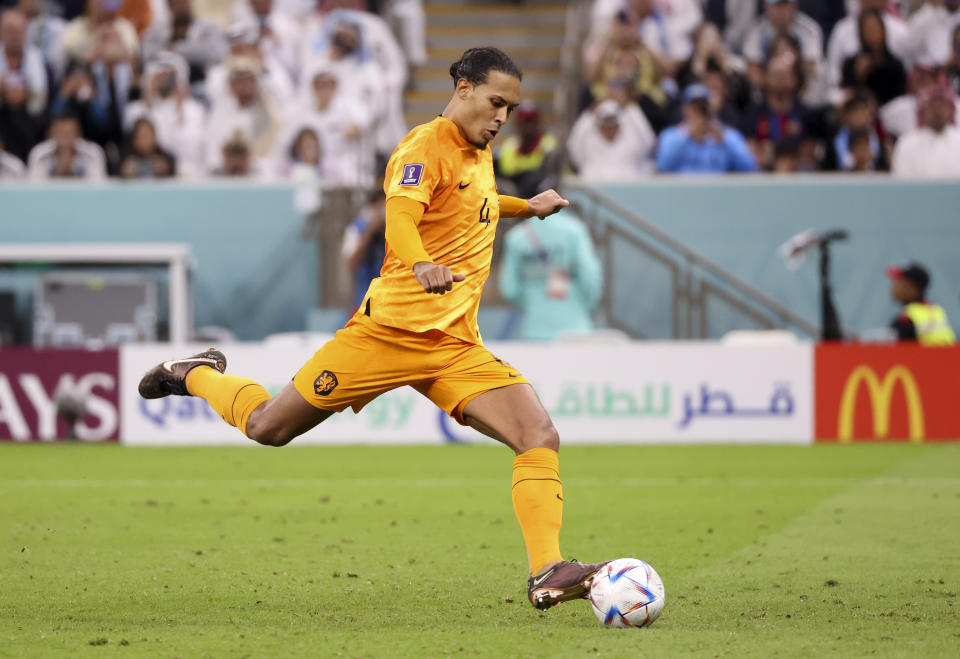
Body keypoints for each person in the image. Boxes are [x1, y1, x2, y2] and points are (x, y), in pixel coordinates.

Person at [138, 46, 608, 613]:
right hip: (386, 336)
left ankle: (548, 570)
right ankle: (193, 375)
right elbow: (402, 216)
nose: (503, 117)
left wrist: (523, 207)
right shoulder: (422, 146)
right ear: (462, 88)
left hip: (455, 346)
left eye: (510, 107)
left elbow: (472, 205)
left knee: (538, 437)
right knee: (268, 427)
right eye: (495, 102)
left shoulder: (479, 153)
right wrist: (419, 263)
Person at [498, 208, 602, 341]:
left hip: (534, 329)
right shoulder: (574, 230)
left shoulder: (516, 236)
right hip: (576, 329)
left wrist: (531, 301)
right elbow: (590, 276)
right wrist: (588, 305)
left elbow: (509, 290)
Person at [655, 83, 757, 173]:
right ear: (684, 109)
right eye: (694, 107)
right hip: (685, 192)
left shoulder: (727, 135)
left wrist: (724, 139)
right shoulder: (671, 135)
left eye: (703, 107)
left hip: (718, 192)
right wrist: (687, 136)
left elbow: (749, 167)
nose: (699, 111)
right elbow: (662, 166)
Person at [891, 84, 960, 177]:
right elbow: (901, 181)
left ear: (951, 110)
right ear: (923, 110)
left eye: (942, 105)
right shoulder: (907, 143)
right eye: (932, 105)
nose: (937, 110)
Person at [494, 102, 559, 200]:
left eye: (531, 122)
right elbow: (504, 174)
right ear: (518, 124)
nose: (528, 127)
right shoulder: (509, 147)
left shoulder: (549, 145)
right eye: (524, 122)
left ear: (538, 123)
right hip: (516, 199)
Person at [887, 262, 956, 345]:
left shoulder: (906, 319)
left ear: (912, 288)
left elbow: (898, 354)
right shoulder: (937, 311)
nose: (892, 287)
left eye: (898, 282)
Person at [341, 189, 387, 309]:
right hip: (365, 301)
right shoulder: (356, 229)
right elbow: (351, 263)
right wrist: (370, 231)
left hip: (392, 301)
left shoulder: (396, 229)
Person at [27, 113, 107, 179]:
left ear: (79, 134)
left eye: (70, 133)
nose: (65, 137)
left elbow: (98, 188)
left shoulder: (93, 152)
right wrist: (57, 173)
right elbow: (34, 189)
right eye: (60, 133)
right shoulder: (39, 153)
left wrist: (73, 173)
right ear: (50, 135)